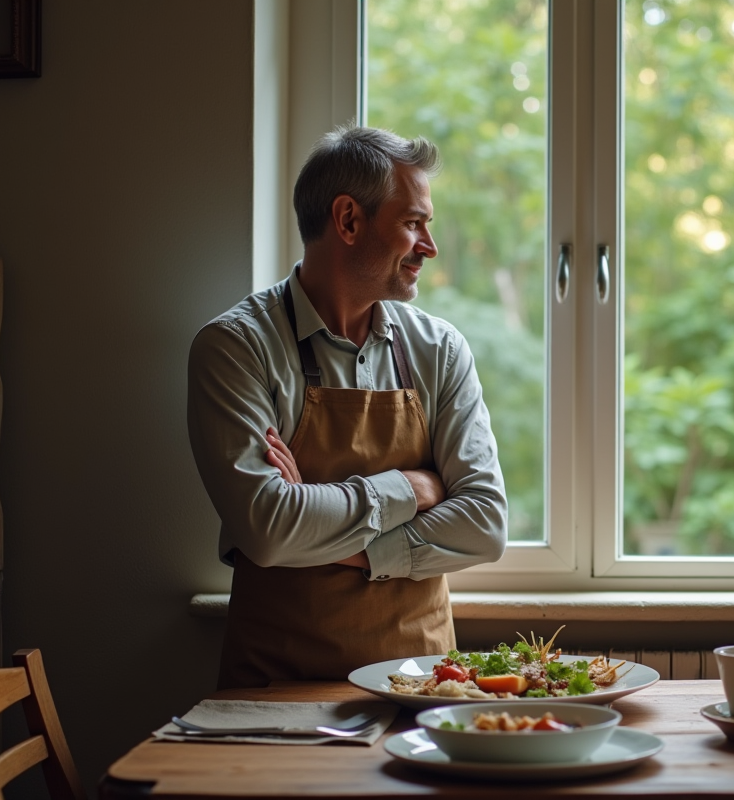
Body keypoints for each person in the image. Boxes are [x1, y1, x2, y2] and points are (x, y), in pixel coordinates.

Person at [187, 125, 508, 689]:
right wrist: (413, 489)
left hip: (421, 684)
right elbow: (268, 529)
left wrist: (352, 549)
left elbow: (484, 523)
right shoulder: (236, 347)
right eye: (413, 224)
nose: (429, 247)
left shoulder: (440, 349)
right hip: (275, 693)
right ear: (349, 220)